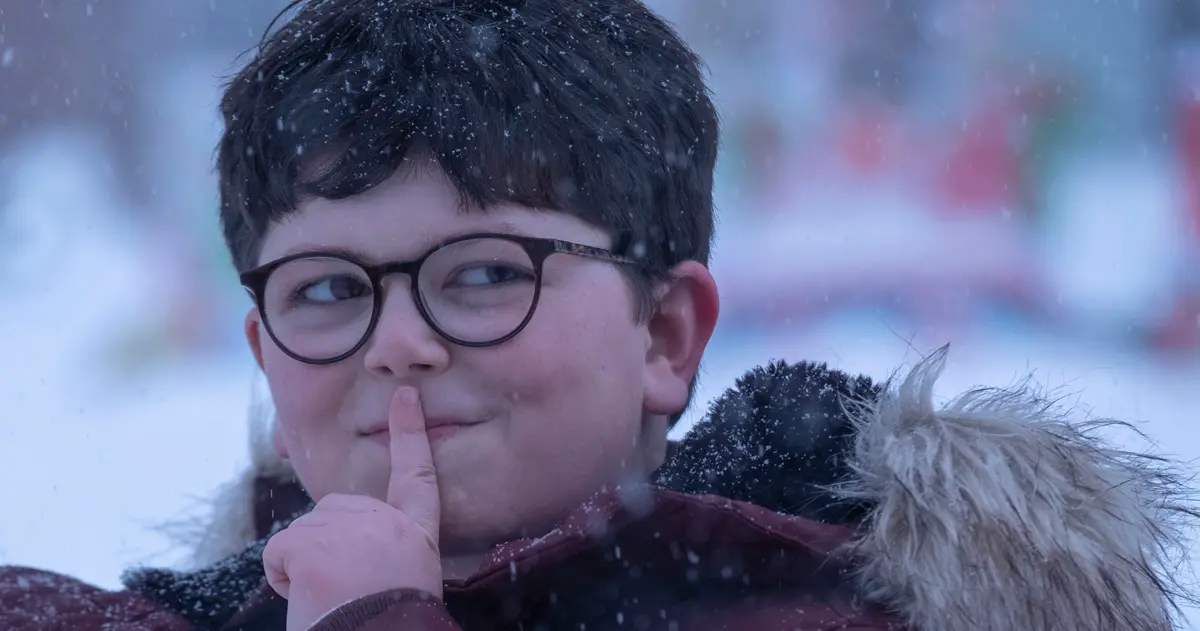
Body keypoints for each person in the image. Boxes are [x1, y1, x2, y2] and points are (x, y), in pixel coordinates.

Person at [2, 0, 1195, 629]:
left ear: (664, 335)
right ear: (265, 354)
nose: (398, 342)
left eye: (484, 273)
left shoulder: (828, 599)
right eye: (327, 290)